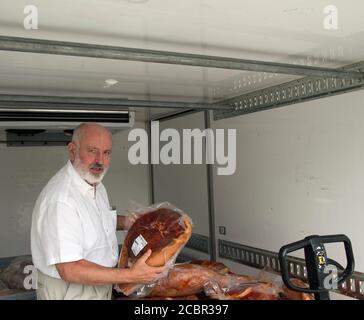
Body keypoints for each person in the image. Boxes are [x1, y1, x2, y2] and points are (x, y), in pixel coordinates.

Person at [30, 122, 166, 300]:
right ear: (72, 151)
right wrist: (131, 275)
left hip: (98, 282)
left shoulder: (94, 184)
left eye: (106, 153)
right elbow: (69, 269)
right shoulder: (61, 200)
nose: (100, 160)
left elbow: (93, 221)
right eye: (92, 151)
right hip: (71, 290)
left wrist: (128, 222)